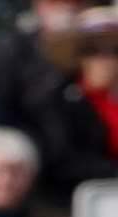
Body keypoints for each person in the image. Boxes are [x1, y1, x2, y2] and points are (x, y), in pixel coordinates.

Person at [30, 6, 118, 201]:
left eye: (115, 50)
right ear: (79, 58)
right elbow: (62, 159)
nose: (106, 59)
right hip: (77, 201)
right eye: (93, 51)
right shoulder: (58, 100)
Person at [0, 0, 87, 134]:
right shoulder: (13, 48)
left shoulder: (91, 51)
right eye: (54, 3)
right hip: (28, 140)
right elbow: (2, 106)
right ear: (38, 6)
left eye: (74, 4)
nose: (66, 9)